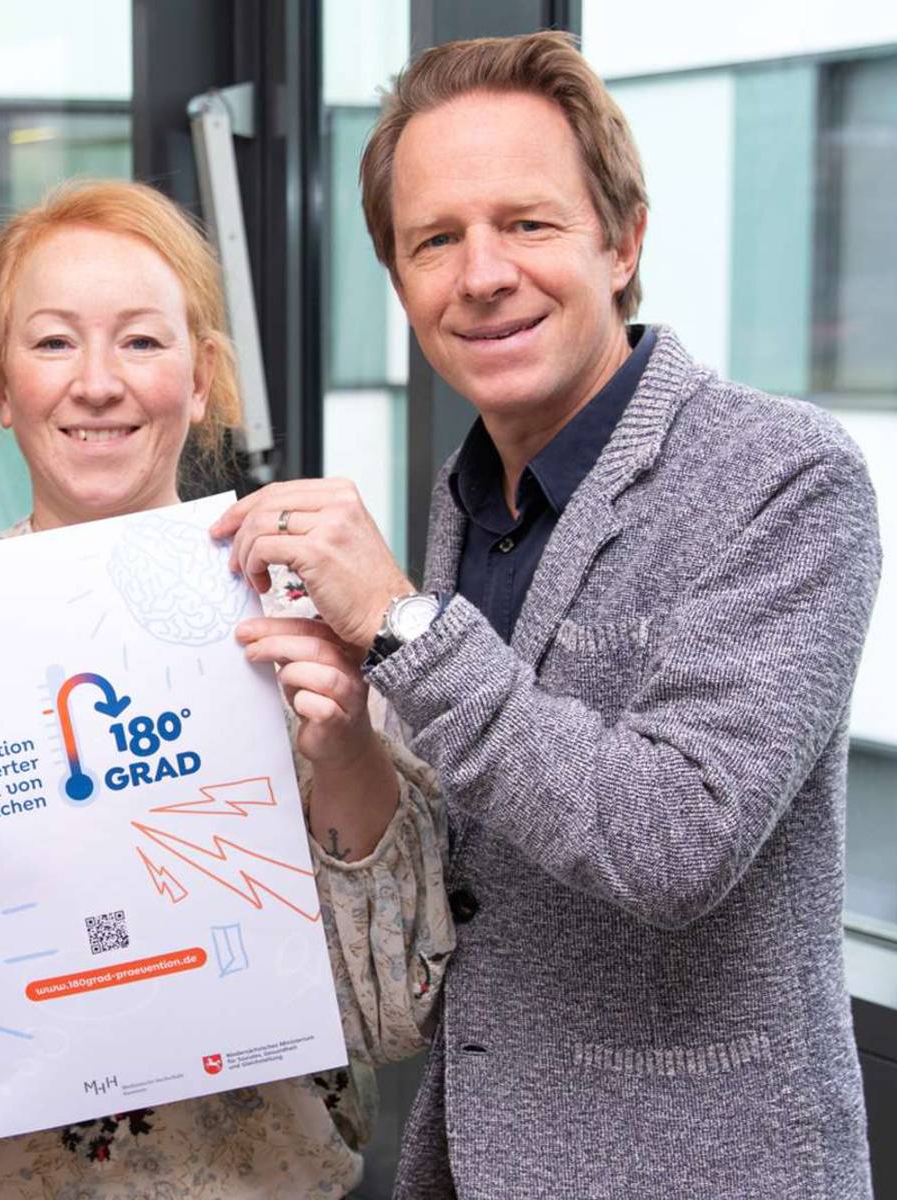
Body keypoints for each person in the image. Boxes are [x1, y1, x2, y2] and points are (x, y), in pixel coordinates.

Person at [213, 31, 881, 1198]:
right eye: (435, 240)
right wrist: (351, 747)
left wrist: (406, 629)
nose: (480, 274)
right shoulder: (465, 497)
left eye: (525, 223)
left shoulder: (784, 475)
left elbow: (675, 840)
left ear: (620, 242)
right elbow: (479, 869)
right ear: (401, 282)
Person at [0, 180, 455, 1198]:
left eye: (142, 342)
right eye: (53, 343)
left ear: (201, 381)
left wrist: (350, 751)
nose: (97, 383)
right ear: (2, 390)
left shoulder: (312, 622)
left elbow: (396, 1012)